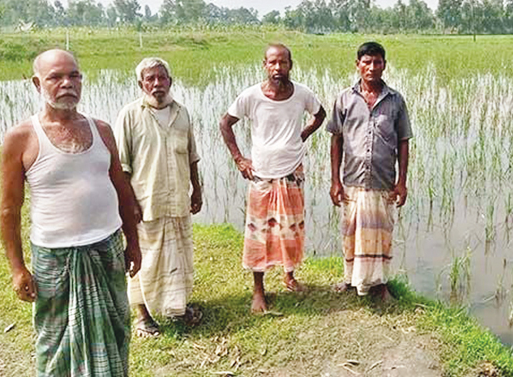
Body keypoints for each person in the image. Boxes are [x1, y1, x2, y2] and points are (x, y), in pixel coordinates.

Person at [0, 49, 141, 376]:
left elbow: (122, 191)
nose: (67, 83)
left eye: (74, 75)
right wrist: (18, 268)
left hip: (106, 251)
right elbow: (9, 210)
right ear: (38, 83)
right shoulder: (21, 138)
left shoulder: (102, 129)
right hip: (55, 258)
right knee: (55, 342)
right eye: (56, 77)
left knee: (116, 331)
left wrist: (132, 241)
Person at [219, 43, 326, 313]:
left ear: (291, 64)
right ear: (265, 65)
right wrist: (239, 159)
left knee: (291, 229)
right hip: (262, 175)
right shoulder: (252, 96)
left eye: (283, 63)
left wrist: (301, 135)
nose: (278, 68)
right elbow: (225, 123)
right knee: (260, 234)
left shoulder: (302, 94)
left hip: (291, 171)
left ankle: (289, 277)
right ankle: (258, 291)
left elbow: (320, 115)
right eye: (273, 63)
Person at [115, 57, 203, 338]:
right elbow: (122, 166)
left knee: (180, 254)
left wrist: (197, 189)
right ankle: (142, 316)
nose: (156, 84)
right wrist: (129, 204)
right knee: (145, 258)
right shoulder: (130, 115)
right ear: (141, 84)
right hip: (146, 202)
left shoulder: (182, 113)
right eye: (150, 79)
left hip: (177, 199)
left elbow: (191, 156)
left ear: (170, 82)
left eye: (161, 78)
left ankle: (178, 307)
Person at [327, 41, 412, 301]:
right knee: (351, 231)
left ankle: (380, 283)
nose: (372, 68)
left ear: (384, 65)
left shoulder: (395, 100)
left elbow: (403, 141)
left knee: (381, 233)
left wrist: (402, 182)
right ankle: (351, 279)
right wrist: (335, 181)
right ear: (357, 65)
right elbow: (336, 140)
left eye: (377, 62)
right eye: (366, 62)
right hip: (352, 179)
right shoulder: (345, 98)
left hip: (383, 180)